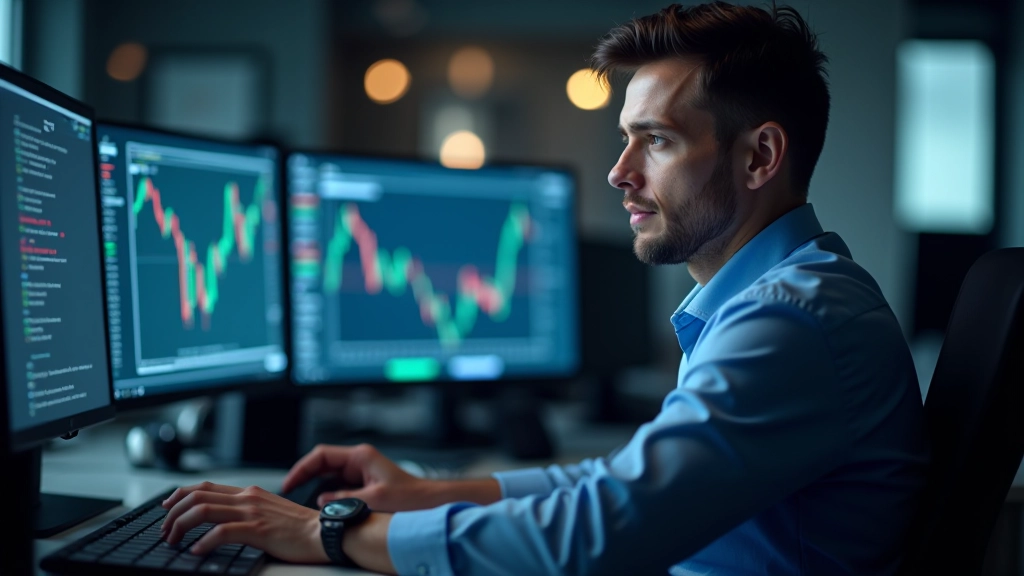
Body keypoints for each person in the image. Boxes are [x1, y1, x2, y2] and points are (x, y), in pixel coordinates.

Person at [159, 2, 929, 574]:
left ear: (760, 158)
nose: (619, 172)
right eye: (625, 137)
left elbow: (602, 529)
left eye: (655, 140)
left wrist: (328, 534)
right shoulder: (779, 301)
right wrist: (423, 494)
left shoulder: (791, 320)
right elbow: (619, 482)